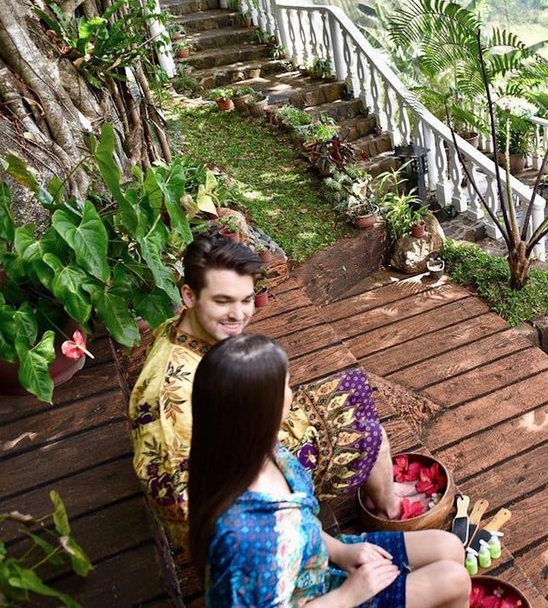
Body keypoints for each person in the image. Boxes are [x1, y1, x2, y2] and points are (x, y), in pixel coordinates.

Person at [128, 232, 402, 549]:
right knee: (372, 435)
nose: (239, 315)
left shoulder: (180, 328)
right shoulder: (170, 399)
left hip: (237, 432)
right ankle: (391, 511)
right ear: (189, 296)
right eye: (222, 301)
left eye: (246, 300)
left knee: (353, 390)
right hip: (239, 486)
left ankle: (384, 495)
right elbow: (186, 505)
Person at [188, 335, 470, 607]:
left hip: (319, 563)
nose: (292, 394)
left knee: (450, 547)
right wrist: (350, 595)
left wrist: (341, 551)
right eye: (286, 386)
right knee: (454, 581)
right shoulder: (242, 539)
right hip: (325, 598)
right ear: (263, 410)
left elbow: (299, 521)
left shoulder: (257, 449)